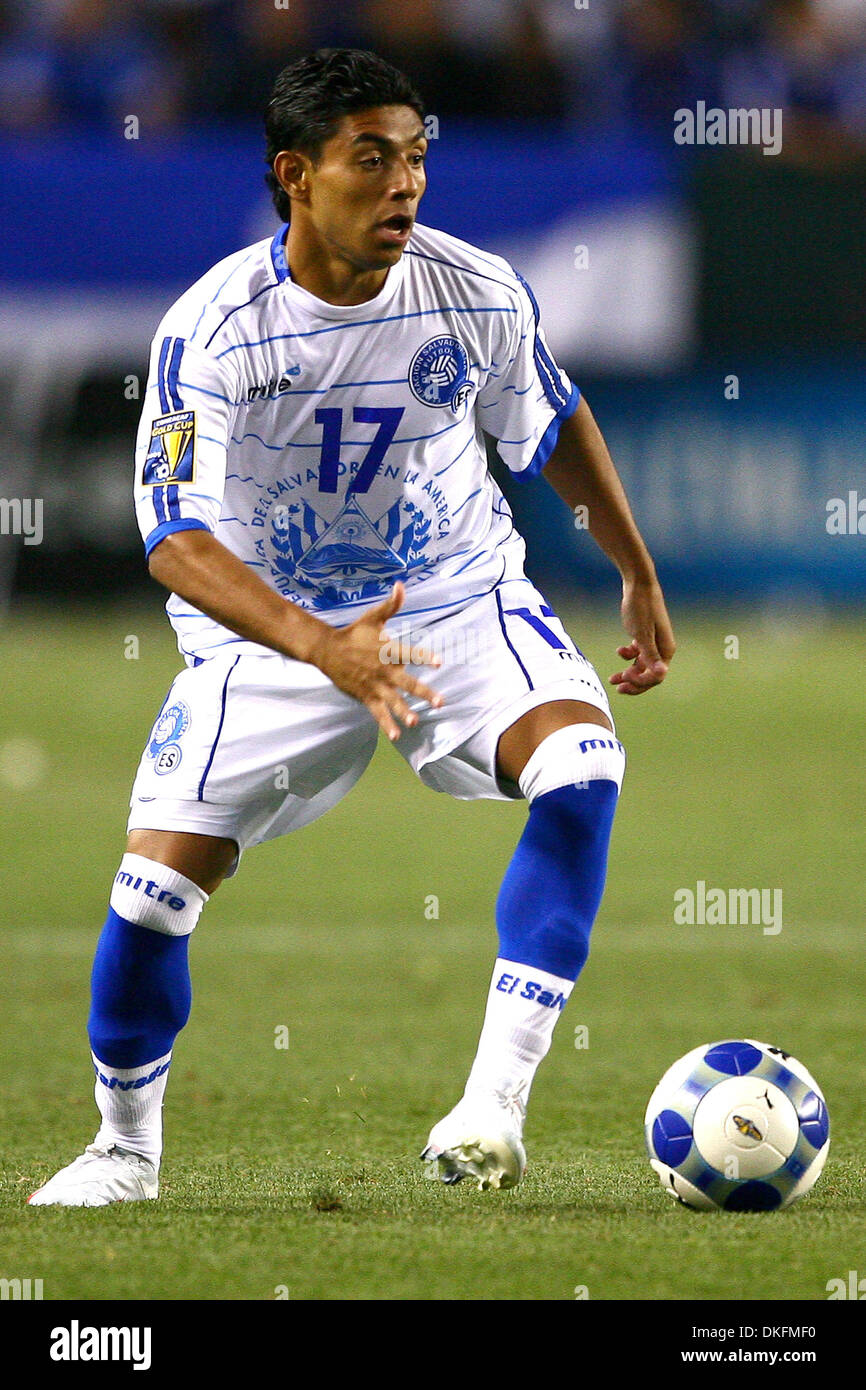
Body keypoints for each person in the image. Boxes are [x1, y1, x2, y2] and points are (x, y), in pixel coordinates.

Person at [29, 48, 674, 1207]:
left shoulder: (472, 290)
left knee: (581, 766)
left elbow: (553, 419)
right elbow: (174, 541)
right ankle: (123, 1148)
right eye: (370, 159)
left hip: (455, 601)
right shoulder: (212, 330)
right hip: (271, 637)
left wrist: (632, 569)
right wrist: (317, 644)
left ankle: (490, 1108)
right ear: (295, 175)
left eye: (417, 156)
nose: (404, 185)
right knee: (150, 901)